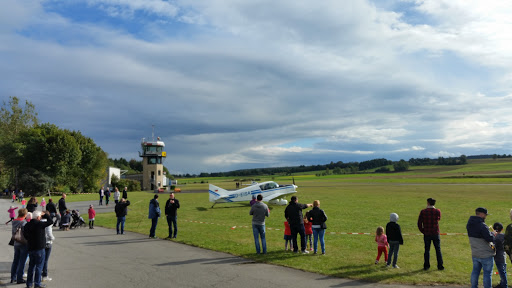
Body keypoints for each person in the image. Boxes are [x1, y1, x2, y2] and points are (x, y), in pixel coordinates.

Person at [23, 210, 53, 288]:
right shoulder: (40, 224)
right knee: (39, 266)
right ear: (38, 217)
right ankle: (37, 283)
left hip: (31, 248)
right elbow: (50, 221)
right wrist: (46, 215)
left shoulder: (27, 225)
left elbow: (25, 236)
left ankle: (29, 284)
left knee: (31, 266)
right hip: (39, 248)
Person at [467, 207, 495, 288]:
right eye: (485, 215)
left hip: (475, 253)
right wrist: (493, 234)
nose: (486, 217)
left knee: (475, 272)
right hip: (486, 254)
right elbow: (490, 238)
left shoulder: (469, 224)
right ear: (481, 214)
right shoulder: (482, 226)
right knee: (487, 274)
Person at [417, 197, 444, 270]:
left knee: (427, 250)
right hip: (435, 232)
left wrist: (423, 230)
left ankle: (426, 266)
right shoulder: (437, 211)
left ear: (428, 203)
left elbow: (419, 223)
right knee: (438, 250)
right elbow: (439, 219)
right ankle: (440, 266)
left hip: (427, 233)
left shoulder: (423, 211)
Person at [10, 208, 28, 284]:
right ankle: (19, 278)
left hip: (16, 242)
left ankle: (13, 277)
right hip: (23, 243)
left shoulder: (14, 221)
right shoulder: (24, 222)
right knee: (22, 262)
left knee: (15, 261)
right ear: (25, 214)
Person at [493, 222, 507, 288]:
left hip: (498, 257)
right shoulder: (504, 236)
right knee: (503, 271)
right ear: (502, 229)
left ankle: (504, 285)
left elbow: (493, 247)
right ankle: (502, 283)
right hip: (504, 255)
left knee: (502, 272)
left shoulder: (495, 238)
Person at [41, 214, 55, 282]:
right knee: (45, 260)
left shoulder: (39, 222)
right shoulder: (47, 223)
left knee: (41, 259)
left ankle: (41, 274)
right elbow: (49, 233)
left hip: (41, 242)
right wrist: (53, 238)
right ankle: (45, 275)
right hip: (47, 242)